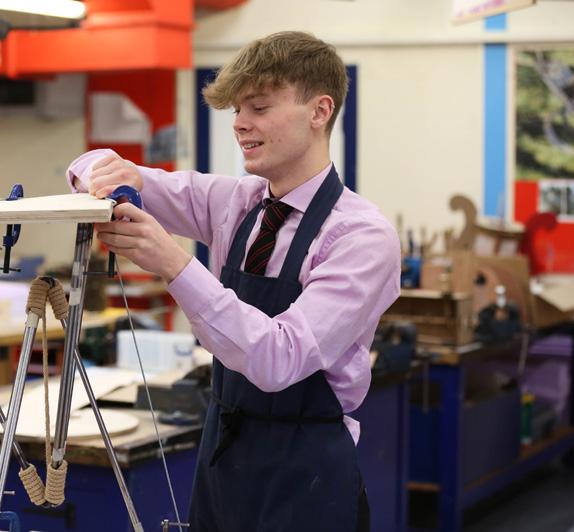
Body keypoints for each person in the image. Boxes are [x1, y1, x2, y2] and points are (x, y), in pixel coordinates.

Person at [67, 31, 400, 532]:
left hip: (306, 475)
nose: (241, 124)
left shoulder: (361, 237)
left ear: (319, 111)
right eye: (236, 111)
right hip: (222, 459)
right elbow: (92, 167)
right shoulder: (236, 203)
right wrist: (104, 174)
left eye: (259, 108)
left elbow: (280, 358)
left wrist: (175, 265)